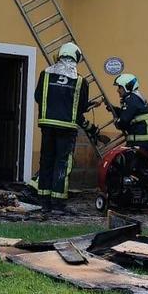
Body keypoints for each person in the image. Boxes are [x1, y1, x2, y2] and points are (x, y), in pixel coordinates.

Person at [32, 42, 97, 213]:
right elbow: (81, 107)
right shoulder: (80, 80)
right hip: (67, 128)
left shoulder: (45, 74)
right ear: (76, 57)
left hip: (46, 125)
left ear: (60, 55)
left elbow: (37, 96)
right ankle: (58, 202)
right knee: (62, 163)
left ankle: (44, 200)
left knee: (46, 160)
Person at [109, 73, 148, 171]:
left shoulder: (132, 100)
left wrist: (116, 122)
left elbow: (123, 122)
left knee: (131, 167)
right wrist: (113, 109)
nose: (118, 90)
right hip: (145, 142)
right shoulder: (134, 98)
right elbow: (128, 113)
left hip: (142, 142)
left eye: (120, 87)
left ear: (127, 86)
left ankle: (132, 185)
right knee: (138, 168)